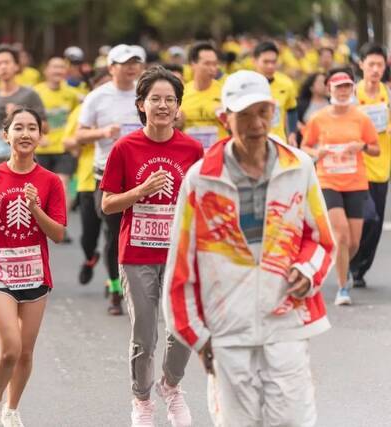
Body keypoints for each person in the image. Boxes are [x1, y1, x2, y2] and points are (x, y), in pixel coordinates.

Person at [163, 70, 335, 427]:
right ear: (225, 118)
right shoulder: (200, 179)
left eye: (263, 112)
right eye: (245, 115)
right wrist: (196, 336)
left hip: (285, 319)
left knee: (293, 421)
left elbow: (320, 239)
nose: (257, 124)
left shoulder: (298, 166)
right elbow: (182, 265)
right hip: (227, 329)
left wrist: (307, 270)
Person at [101, 65, 201, 427]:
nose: (162, 106)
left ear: (178, 108)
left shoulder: (192, 149)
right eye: (155, 99)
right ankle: (142, 399)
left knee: (184, 328)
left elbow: (203, 201)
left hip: (179, 254)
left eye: (169, 100)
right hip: (137, 254)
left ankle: (171, 386)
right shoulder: (125, 148)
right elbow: (107, 203)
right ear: (141, 105)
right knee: (144, 333)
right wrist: (140, 192)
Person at [0, 108, 66, 427]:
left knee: (26, 353)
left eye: (32, 128)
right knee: (9, 349)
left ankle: (12, 409)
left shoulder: (50, 182)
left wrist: (34, 208)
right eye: (18, 128)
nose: (25, 134)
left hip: (35, 275)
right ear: (5, 136)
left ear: (40, 136)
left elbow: (58, 234)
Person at [76, 44, 145, 315]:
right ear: (111, 67)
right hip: (107, 174)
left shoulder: (146, 91)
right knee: (114, 235)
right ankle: (115, 290)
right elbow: (80, 134)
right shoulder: (97, 97)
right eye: (125, 62)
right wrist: (104, 132)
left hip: (142, 174)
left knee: (142, 234)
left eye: (135, 62)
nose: (131, 67)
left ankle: (142, 287)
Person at [302, 69, 380, 306]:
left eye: (347, 87)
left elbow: (376, 149)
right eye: (339, 87)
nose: (343, 92)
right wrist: (318, 153)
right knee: (341, 234)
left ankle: (339, 261)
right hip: (328, 180)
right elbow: (305, 146)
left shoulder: (361, 118)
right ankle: (342, 286)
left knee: (353, 241)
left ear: (352, 90)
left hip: (356, 181)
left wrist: (362, 147)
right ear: (329, 90)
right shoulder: (319, 117)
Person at [63, 69, 111, 284]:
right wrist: (91, 135)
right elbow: (68, 143)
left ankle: (115, 285)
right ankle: (90, 258)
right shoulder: (83, 111)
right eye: (102, 84)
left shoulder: (128, 109)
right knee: (88, 237)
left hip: (117, 183)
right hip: (88, 180)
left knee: (114, 237)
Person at [350, 43, 391, 288]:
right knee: (365, 217)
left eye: (380, 65)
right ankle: (350, 259)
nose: (376, 69)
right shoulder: (352, 95)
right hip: (356, 167)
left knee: (375, 224)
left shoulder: (389, 95)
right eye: (371, 64)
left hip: (381, 167)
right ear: (361, 64)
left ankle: (360, 267)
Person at [33, 56, 81, 238]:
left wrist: (75, 141)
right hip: (41, 149)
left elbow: (78, 118)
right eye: (54, 67)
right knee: (40, 190)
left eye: (61, 68)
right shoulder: (36, 93)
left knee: (62, 185)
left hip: (64, 148)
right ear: (46, 71)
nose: (57, 71)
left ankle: (60, 225)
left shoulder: (71, 95)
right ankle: (40, 224)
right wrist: (37, 138)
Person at [0, 44, 47, 166]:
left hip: (23, 162)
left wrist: (20, 115)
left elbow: (45, 127)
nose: (3, 67)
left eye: (7, 62)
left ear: (17, 66)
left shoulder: (30, 94)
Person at [181, 42, 227, 151]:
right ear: (192, 65)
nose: (212, 68)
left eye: (215, 64)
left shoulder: (224, 92)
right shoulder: (181, 92)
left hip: (218, 154)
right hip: (190, 154)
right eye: (207, 64)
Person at [253, 41, 298, 145]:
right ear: (254, 61)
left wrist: (292, 133)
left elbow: (292, 109)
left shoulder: (286, 83)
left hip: (278, 143)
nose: (270, 66)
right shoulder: (246, 85)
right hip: (253, 142)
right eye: (266, 62)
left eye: (274, 62)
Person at [295, 72, 329, 145]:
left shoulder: (332, 103)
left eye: (326, 82)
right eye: (321, 82)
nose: (325, 85)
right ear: (311, 87)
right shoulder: (301, 104)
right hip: (307, 145)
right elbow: (294, 120)